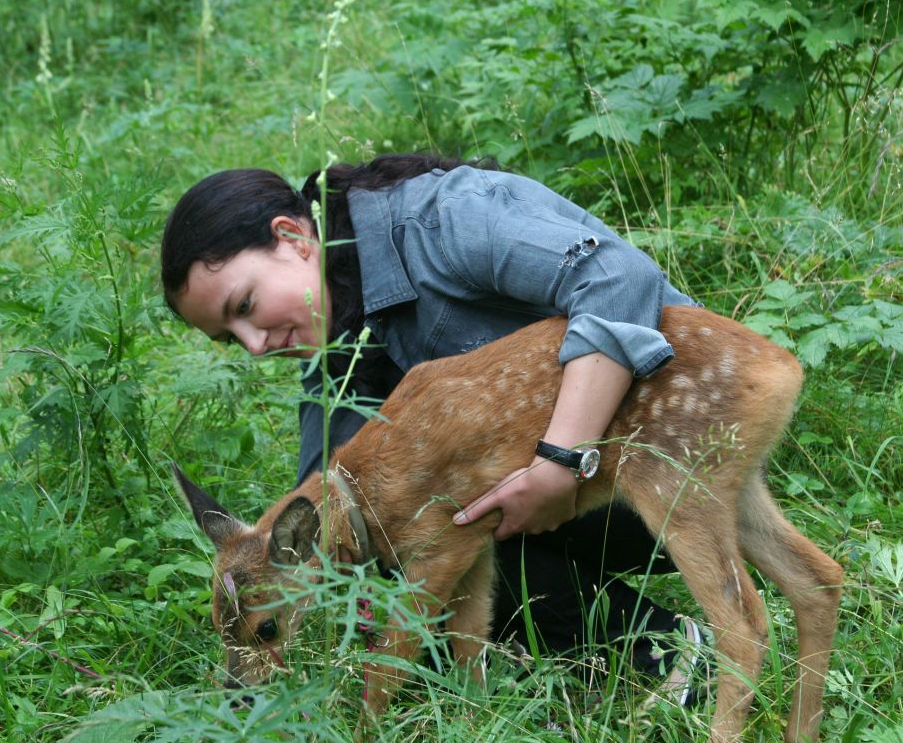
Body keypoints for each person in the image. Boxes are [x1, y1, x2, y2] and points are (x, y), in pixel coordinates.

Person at [161, 153, 704, 700]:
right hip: (581, 498)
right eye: (232, 337)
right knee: (401, 533)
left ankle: (668, 657)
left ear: (293, 238)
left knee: (451, 523)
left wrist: (560, 458)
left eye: (246, 305)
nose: (255, 345)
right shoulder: (336, 351)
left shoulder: (442, 220)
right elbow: (327, 518)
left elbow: (619, 278)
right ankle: (513, 674)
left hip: (674, 452)